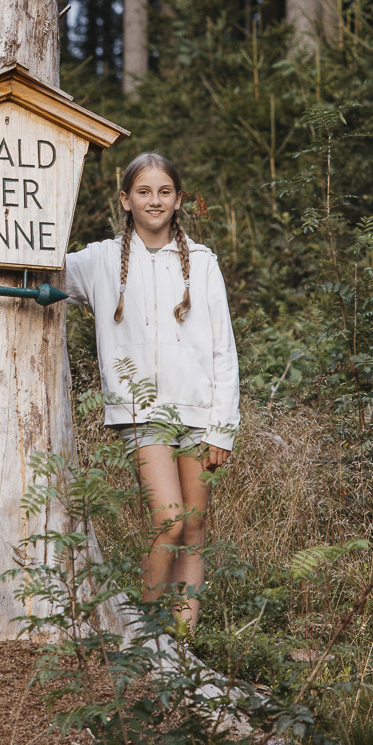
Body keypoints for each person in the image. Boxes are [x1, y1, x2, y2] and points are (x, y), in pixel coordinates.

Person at [64, 151, 239, 630]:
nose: (154, 200)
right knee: (169, 522)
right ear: (125, 200)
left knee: (195, 529)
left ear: (179, 199)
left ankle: (182, 640)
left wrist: (223, 427)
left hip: (201, 413)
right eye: (143, 191)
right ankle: (144, 635)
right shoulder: (100, 260)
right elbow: (44, 267)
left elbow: (223, 347)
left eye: (164, 191)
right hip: (140, 410)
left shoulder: (201, 263)